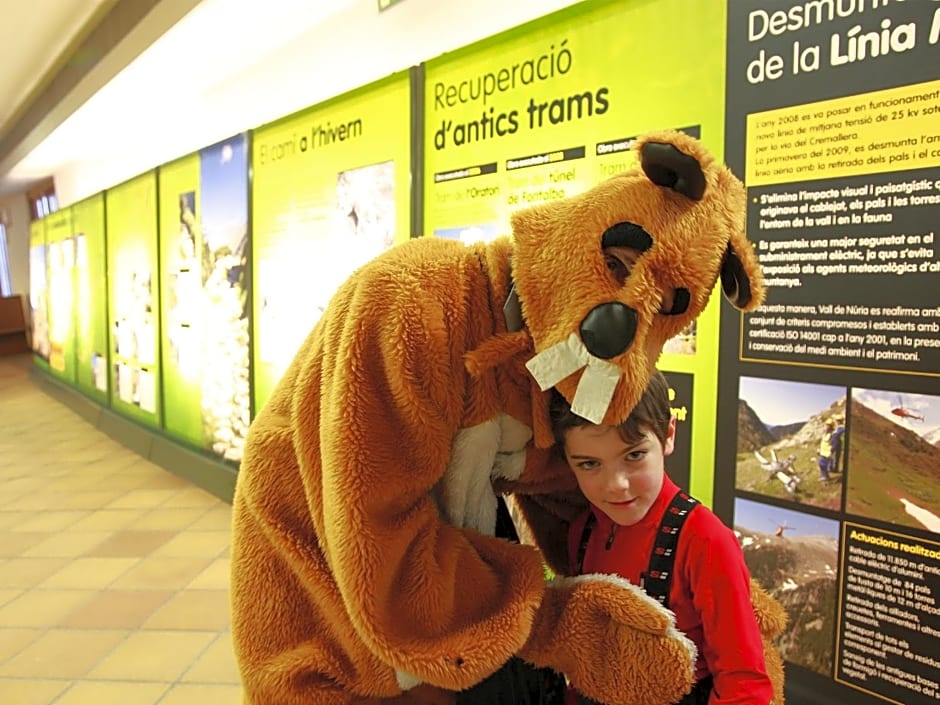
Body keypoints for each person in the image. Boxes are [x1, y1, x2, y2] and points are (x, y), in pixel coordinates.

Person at [551, 371, 774, 705]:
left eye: (634, 455)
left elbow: (744, 682)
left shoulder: (705, 540)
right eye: (589, 464)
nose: (617, 485)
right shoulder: (581, 530)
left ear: (668, 434)